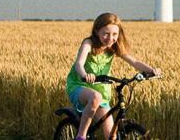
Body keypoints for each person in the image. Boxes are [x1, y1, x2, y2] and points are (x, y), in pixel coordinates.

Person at [66, 12, 161, 140]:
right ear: (96, 31)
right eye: (106, 33)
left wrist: (152, 70)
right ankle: (81, 136)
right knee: (95, 97)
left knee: (111, 135)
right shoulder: (89, 44)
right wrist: (84, 75)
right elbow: (79, 63)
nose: (110, 38)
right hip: (80, 85)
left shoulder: (114, 47)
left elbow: (134, 62)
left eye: (114, 34)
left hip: (101, 90)